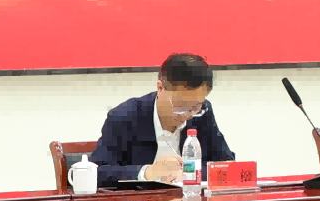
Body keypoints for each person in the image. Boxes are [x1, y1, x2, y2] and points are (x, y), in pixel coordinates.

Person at [95, 52, 232, 184]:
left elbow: (227, 165)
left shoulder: (203, 113)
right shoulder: (125, 116)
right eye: (180, 105)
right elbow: (98, 172)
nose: (187, 114)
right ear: (160, 88)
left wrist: (190, 174)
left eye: (195, 106)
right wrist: (147, 172)